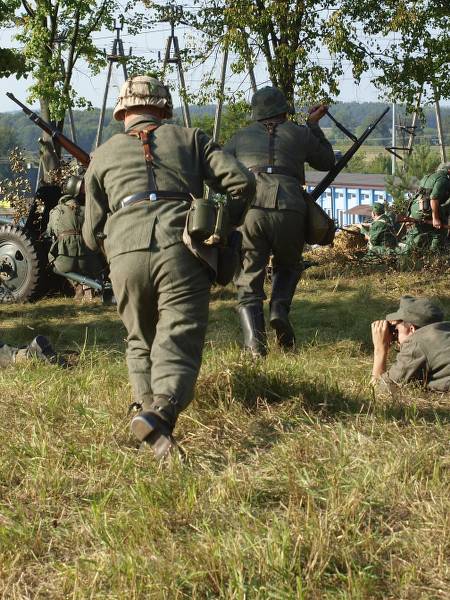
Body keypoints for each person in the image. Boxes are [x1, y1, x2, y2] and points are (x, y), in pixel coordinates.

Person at [83, 75, 255, 459]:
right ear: (163, 109)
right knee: (178, 335)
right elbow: (242, 182)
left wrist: (117, 247)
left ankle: (147, 418)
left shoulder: (102, 155)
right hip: (182, 248)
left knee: (139, 339)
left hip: (124, 254)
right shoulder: (191, 139)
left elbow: (91, 235)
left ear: (123, 112)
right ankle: (161, 411)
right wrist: (221, 225)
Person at [224, 87, 335, 356]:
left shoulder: (240, 137)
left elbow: (218, 169)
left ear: (256, 112)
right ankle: (279, 310)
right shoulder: (300, 133)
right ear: (284, 110)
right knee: (289, 265)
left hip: (251, 210)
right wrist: (313, 126)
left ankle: (255, 347)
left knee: (248, 279)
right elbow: (326, 161)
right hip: (291, 208)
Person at [371, 295, 450, 392]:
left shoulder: (417, 342)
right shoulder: (445, 331)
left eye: (397, 330)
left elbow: (380, 391)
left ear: (412, 329)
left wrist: (380, 349)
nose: (396, 337)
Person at [47, 175, 105, 300]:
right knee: (91, 267)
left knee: (54, 264)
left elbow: (49, 231)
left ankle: (78, 286)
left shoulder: (55, 211)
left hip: (65, 258)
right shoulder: (85, 210)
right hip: (86, 257)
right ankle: (87, 288)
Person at [403, 162, 450, 252]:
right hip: (427, 210)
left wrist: (410, 215)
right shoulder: (443, 179)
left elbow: (418, 195)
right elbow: (434, 198)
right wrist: (436, 218)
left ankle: (406, 253)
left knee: (417, 233)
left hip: (416, 210)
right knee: (439, 233)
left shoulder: (427, 177)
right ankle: (435, 254)